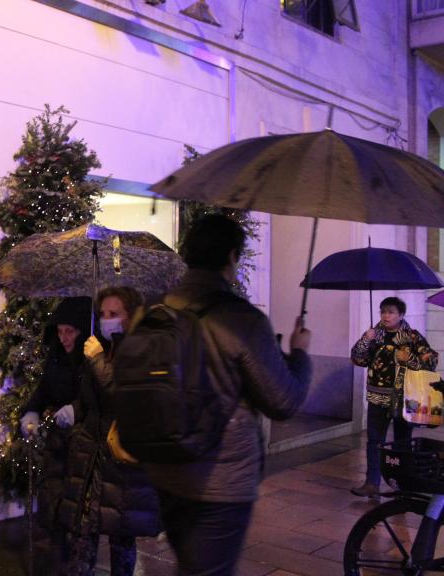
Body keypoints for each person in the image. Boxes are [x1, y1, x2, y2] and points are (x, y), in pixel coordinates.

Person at [141, 214, 312, 576]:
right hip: (219, 477)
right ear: (232, 256)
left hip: (163, 465)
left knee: (190, 564)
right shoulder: (241, 319)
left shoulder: (155, 308)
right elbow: (283, 400)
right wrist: (300, 354)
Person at [55, 286, 161, 576]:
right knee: (82, 535)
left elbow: (125, 398)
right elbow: (92, 399)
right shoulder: (105, 346)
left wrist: (98, 360)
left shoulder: (142, 350)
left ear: (131, 316)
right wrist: (74, 411)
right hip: (92, 456)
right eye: (103, 313)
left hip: (120, 460)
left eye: (114, 313)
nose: (106, 319)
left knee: (121, 535)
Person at [18, 296, 92, 554]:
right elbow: (45, 389)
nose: (64, 338)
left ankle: (76, 555)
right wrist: (31, 410)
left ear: (82, 330)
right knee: (52, 492)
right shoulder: (57, 356)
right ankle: (58, 552)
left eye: (69, 332)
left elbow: (97, 395)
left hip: (84, 441)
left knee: (76, 502)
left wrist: (77, 408)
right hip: (59, 437)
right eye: (60, 332)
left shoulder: (91, 358)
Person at [350, 296, 439, 498]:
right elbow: (357, 358)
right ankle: (372, 483)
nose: (386, 315)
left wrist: (411, 359)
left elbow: (431, 361)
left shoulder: (412, 337)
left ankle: (402, 481)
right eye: (383, 311)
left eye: (390, 312)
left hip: (404, 399)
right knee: (374, 441)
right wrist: (366, 339)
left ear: (401, 314)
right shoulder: (375, 336)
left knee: (402, 442)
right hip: (377, 398)